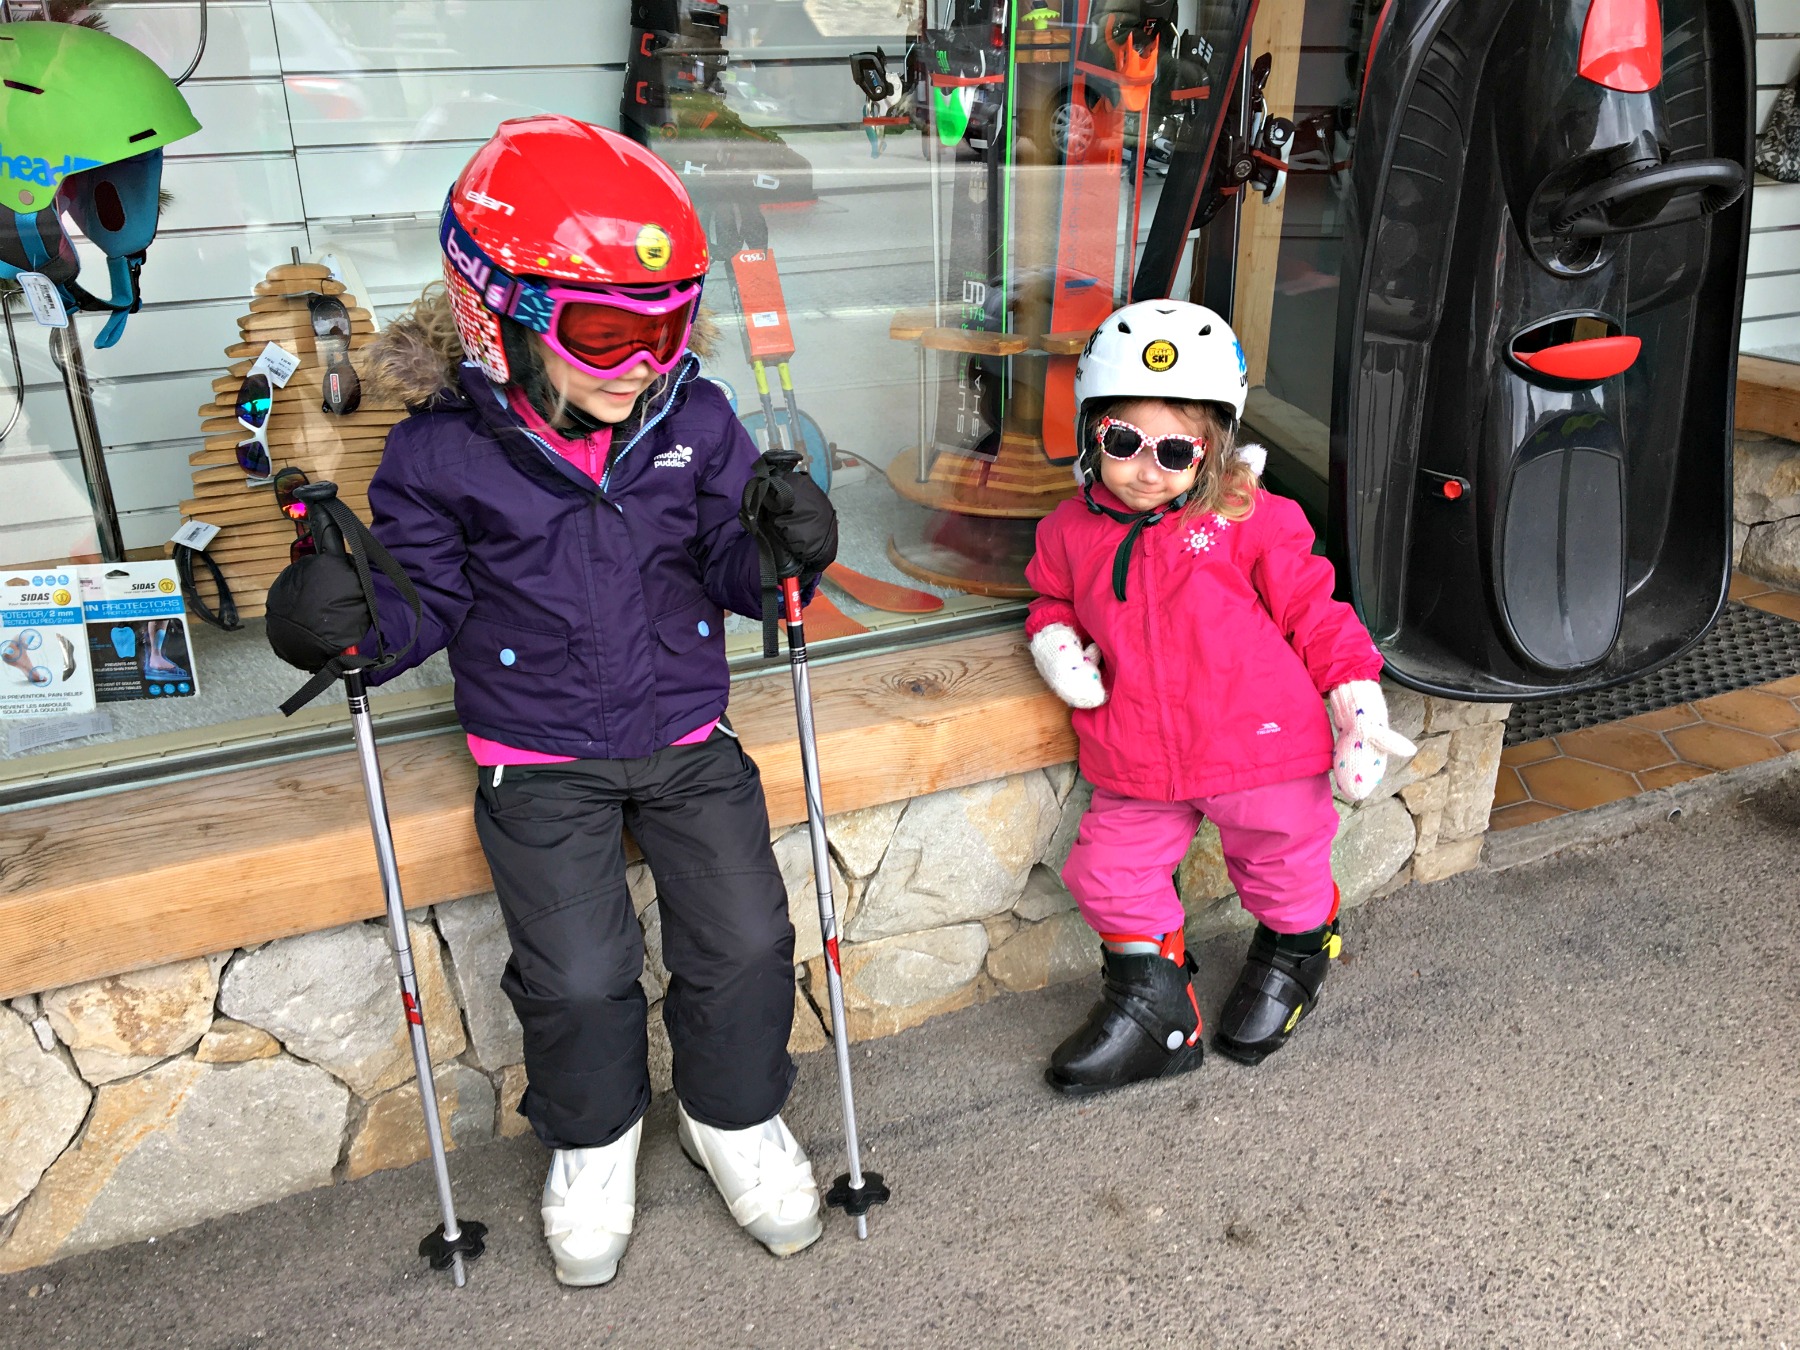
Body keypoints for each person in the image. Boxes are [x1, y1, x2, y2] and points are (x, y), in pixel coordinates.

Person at [262, 116, 839, 1285]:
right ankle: (594, 1136)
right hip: (539, 752)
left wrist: (781, 553)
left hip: (684, 730)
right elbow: (425, 605)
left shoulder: (697, 420)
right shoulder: (440, 456)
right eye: (604, 330)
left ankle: (729, 1115)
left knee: (748, 938)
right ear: (496, 313)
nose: (641, 363)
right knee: (575, 973)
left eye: (667, 327)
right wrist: (352, 621)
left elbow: (733, 571)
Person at [1025, 300, 1415, 1096]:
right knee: (1106, 871)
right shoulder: (1069, 530)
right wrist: (1056, 642)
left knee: (1282, 870)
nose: (1146, 467)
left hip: (1261, 748)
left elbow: (1314, 608)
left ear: (1213, 451)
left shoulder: (1249, 520)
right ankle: (1155, 1010)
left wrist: (1354, 695)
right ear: (1090, 433)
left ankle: (1298, 950)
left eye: (1175, 450)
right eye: (1124, 442)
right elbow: (1052, 599)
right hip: (1139, 750)